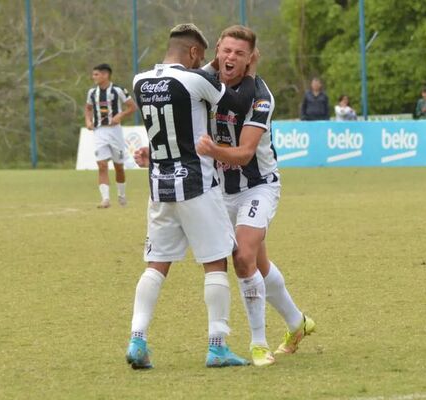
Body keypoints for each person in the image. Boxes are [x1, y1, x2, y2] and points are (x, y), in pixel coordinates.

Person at [126, 23, 258, 370]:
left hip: (160, 185)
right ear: (196, 53)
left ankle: (137, 339)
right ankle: (217, 347)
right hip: (197, 184)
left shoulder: (139, 81)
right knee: (215, 262)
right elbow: (227, 98)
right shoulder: (196, 81)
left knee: (157, 265)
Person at [198, 25, 315, 365]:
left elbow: (245, 153)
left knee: (243, 258)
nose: (230, 57)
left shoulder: (260, 96)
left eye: (239, 53)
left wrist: (209, 149)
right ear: (217, 50)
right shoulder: (201, 82)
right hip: (221, 191)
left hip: (258, 186)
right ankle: (297, 323)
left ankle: (258, 344)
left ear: (250, 60)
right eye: (226, 50)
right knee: (258, 264)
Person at [85, 64, 135, 208]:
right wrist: (88, 121)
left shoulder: (118, 90)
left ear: (105, 75)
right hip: (99, 131)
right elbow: (88, 108)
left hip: (115, 132)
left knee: (118, 166)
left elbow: (132, 107)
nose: (93, 77)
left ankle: (121, 194)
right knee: (101, 164)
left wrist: (120, 115)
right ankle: (105, 199)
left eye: (96, 74)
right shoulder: (92, 93)